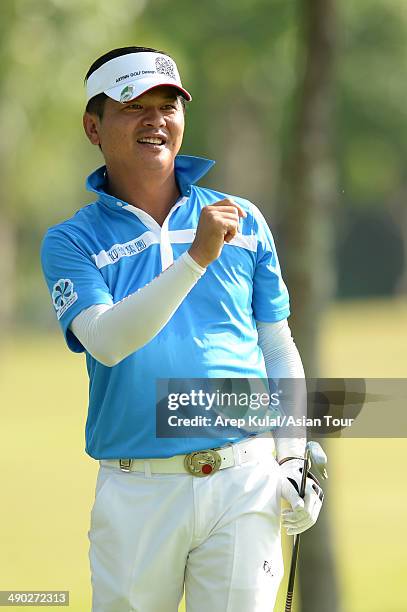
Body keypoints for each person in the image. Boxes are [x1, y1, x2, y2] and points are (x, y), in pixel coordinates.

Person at [40, 46, 324, 612]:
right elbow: (108, 340)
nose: (156, 119)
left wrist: (292, 461)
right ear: (93, 126)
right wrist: (194, 259)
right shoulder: (72, 241)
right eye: (133, 106)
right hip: (138, 487)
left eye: (168, 104)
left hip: (245, 477)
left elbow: (277, 347)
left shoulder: (241, 218)